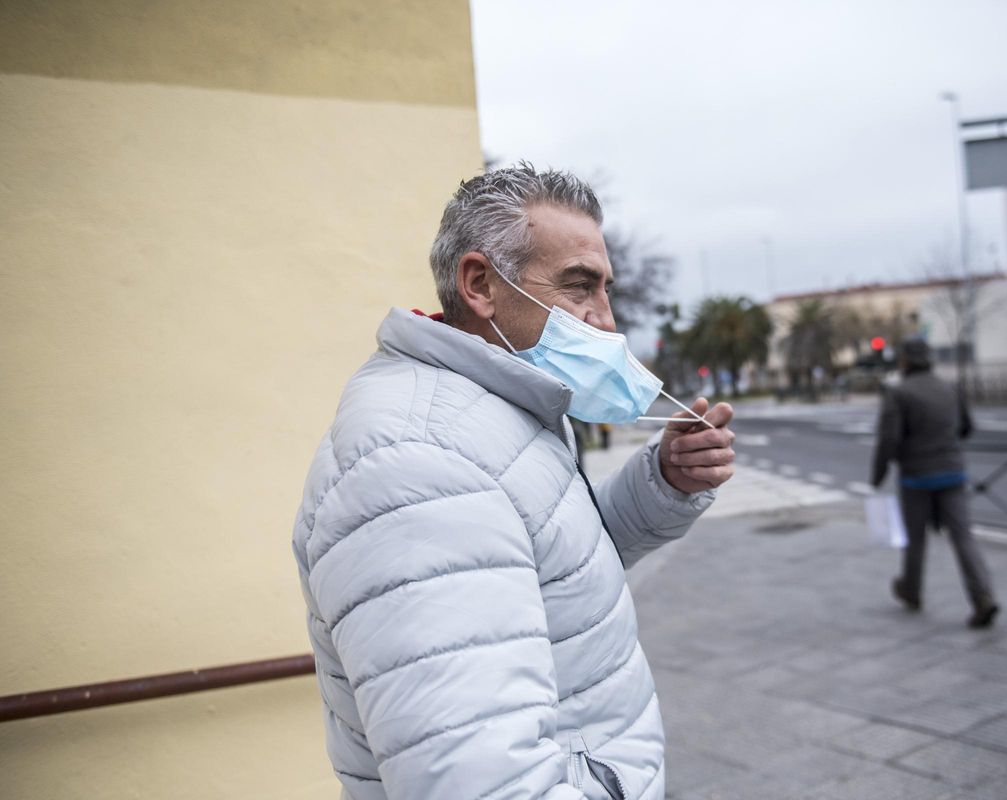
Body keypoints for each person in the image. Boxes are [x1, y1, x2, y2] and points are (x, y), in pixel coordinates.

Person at [291, 164, 736, 799]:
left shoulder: (496, 407)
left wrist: (663, 481)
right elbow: (476, 781)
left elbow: (549, 556)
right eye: (579, 286)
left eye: (605, 289)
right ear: (480, 284)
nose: (606, 321)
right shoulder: (421, 459)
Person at [870, 338, 999, 629]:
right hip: (953, 473)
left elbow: (888, 440)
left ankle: (912, 591)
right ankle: (982, 596)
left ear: (904, 360)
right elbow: (966, 427)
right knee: (963, 536)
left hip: (916, 477)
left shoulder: (898, 393)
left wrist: (878, 476)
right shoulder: (950, 388)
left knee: (915, 539)